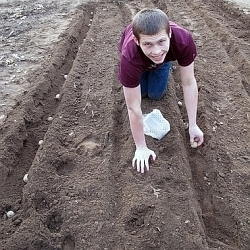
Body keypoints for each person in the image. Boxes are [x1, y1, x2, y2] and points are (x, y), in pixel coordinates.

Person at [118, 8, 204, 173]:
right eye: (148, 44)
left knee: (156, 94)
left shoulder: (183, 41)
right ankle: (144, 68)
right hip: (137, 61)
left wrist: (193, 125)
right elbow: (133, 107)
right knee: (141, 95)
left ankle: (161, 66)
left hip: (160, 61)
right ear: (137, 41)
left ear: (170, 34)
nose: (156, 50)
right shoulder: (129, 57)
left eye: (161, 42)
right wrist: (141, 147)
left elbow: (188, 82)